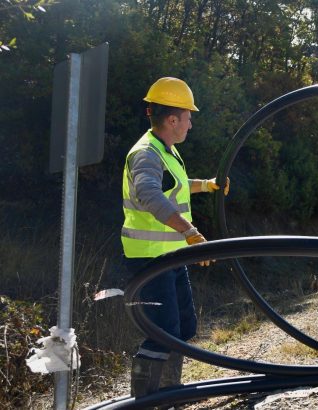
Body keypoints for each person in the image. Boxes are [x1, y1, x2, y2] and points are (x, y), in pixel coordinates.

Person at [121, 77, 229, 397]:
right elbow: (151, 196)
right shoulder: (146, 154)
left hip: (170, 254)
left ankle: (171, 393)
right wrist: (191, 231)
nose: (191, 124)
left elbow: (174, 187)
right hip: (149, 256)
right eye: (188, 117)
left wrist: (207, 184)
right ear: (172, 119)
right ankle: (145, 400)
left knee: (184, 326)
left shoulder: (165, 151)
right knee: (163, 331)